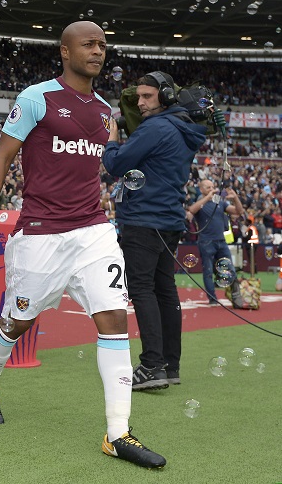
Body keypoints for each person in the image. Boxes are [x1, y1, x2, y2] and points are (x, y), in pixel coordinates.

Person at [0, 21, 165, 468]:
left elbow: (105, 167)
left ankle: (118, 434)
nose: (98, 51)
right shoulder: (36, 97)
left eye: (102, 45)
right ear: (64, 51)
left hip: (93, 230)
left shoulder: (103, 110)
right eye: (88, 44)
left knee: (114, 318)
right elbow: (1, 157)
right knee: (17, 321)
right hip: (40, 233)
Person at [102, 71, 206, 390]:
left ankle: (151, 366)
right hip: (169, 218)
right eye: (139, 97)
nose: (141, 103)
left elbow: (115, 165)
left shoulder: (156, 127)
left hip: (144, 218)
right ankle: (169, 365)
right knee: (164, 289)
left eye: (147, 96)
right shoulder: (182, 127)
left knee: (142, 288)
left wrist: (112, 137)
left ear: (165, 95)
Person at [187, 179, 246, 307]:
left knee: (230, 269)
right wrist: (208, 197)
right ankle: (212, 298)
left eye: (213, 187)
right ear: (201, 189)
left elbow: (238, 211)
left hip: (221, 241)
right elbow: (191, 210)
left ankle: (237, 299)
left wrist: (235, 198)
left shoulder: (219, 202)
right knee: (208, 271)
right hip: (206, 241)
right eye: (208, 187)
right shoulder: (199, 202)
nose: (212, 189)